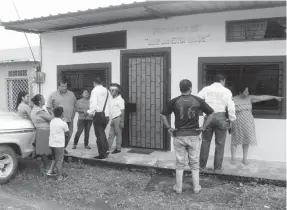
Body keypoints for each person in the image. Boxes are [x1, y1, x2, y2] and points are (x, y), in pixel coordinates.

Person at [161, 79, 214, 194]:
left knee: (180, 163)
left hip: (179, 135)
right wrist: (203, 127)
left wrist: (169, 127)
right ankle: (196, 188)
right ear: (190, 88)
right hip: (193, 135)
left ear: (180, 89)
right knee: (194, 163)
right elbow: (211, 113)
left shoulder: (174, 101)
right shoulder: (198, 100)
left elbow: (163, 115)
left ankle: (179, 188)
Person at [230, 83, 283, 165]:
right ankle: (233, 158)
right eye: (245, 92)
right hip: (237, 122)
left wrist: (274, 97)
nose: (247, 93)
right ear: (240, 92)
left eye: (247, 91)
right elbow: (228, 111)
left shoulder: (250, 97)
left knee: (246, 140)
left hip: (248, 122)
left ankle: (244, 159)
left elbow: (262, 97)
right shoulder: (233, 99)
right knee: (234, 140)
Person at [197, 74, 236, 173]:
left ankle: (202, 167)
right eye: (224, 81)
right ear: (222, 80)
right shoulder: (226, 91)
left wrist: (204, 110)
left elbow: (197, 100)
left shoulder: (206, 89)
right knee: (220, 144)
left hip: (209, 117)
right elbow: (231, 107)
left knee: (205, 142)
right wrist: (232, 120)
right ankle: (217, 169)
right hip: (221, 118)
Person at [46, 79, 77, 154]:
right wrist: (55, 116)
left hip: (69, 119)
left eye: (65, 86)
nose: (64, 88)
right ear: (58, 86)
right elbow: (49, 107)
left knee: (69, 134)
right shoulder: (53, 95)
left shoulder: (71, 94)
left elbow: (75, 106)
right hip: (59, 121)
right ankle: (59, 150)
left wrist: (73, 116)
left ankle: (63, 148)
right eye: (62, 86)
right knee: (59, 136)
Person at [87, 77, 110, 159]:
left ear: (94, 82)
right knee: (102, 133)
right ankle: (105, 149)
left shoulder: (95, 90)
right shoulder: (107, 90)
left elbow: (94, 104)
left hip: (98, 115)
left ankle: (103, 153)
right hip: (106, 115)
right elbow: (109, 103)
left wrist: (89, 112)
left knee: (99, 134)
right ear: (102, 82)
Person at [30, 94, 53, 172]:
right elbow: (51, 118)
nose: (44, 100)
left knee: (44, 151)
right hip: (43, 132)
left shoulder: (36, 109)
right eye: (43, 99)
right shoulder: (39, 111)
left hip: (41, 132)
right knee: (45, 151)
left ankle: (45, 167)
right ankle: (47, 168)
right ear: (40, 101)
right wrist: (51, 110)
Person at [47, 107, 69, 181]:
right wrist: (65, 122)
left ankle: (50, 171)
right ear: (62, 113)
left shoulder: (52, 121)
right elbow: (67, 133)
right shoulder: (63, 123)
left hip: (51, 143)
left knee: (54, 158)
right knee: (59, 160)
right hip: (59, 144)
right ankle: (59, 176)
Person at [107, 83, 125, 154]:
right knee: (111, 134)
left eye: (113, 90)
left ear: (117, 91)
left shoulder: (120, 100)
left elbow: (122, 111)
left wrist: (122, 122)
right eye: (110, 90)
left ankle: (118, 148)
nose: (111, 92)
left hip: (118, 118)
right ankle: (107, 148)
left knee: (118, 134)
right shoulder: (111, 99)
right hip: (113, 119)